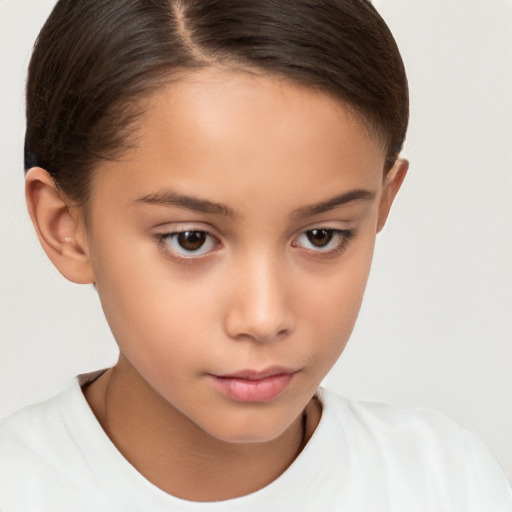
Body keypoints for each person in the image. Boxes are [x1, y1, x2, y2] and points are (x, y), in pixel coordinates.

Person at [0, 0, 510, 510]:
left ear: (382, 203)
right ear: (65, 227)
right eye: (191, 239)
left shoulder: (446, 485)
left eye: (321, 235)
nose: (264, 318)